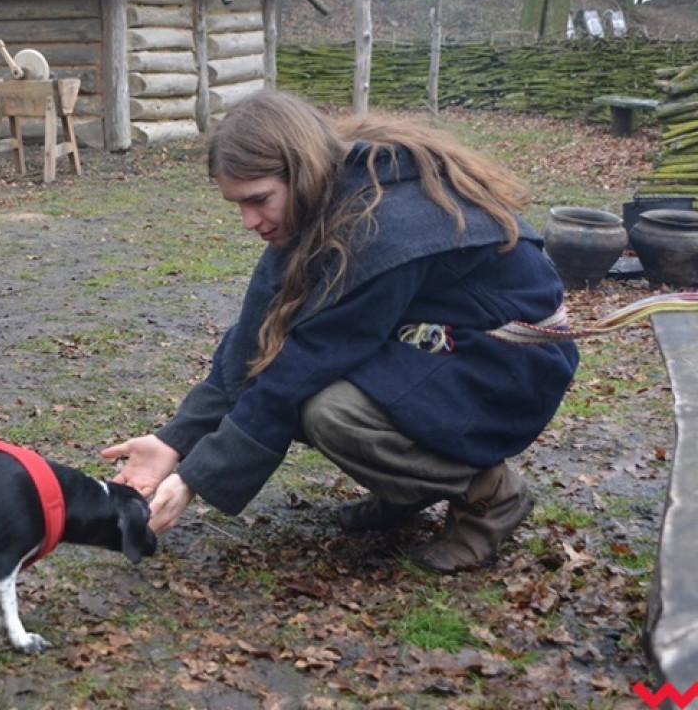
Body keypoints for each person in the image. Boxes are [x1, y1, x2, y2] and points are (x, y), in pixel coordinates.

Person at [100, 90, 579, 573]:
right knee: (300, 378)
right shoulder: (329, 191)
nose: (248, 221)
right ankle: (405, 490)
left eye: (258, 200)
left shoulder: (381, 224)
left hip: (507, 369)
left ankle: (490, 496)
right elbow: (257, 334)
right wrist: (173, 441)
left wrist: (193, 480)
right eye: (238, 205)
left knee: (330, 408)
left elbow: (301, 364)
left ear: (298, 169)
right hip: (438, 344)